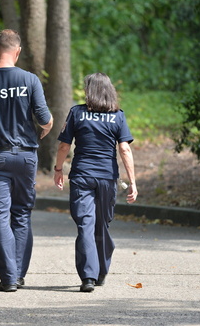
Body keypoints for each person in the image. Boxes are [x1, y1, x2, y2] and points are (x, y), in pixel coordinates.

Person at [0, 29, 53, 292]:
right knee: (22, 214)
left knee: (0, 217)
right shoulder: (30, 80)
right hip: (26, 157)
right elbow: (45, 118)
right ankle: (18, 275)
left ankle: (8, 278)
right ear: (17, 51)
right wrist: (44, 130)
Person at [53, 72, 138, 293]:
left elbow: (64, 146)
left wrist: (58, 169)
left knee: (85, 224)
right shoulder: (117, 115)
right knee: (102, 224)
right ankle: (98, 272)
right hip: (107, 178)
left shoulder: (77, 113)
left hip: (82, 176)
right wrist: (133, 182)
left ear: (89, 91)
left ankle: (89, 275)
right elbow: (125, 149)